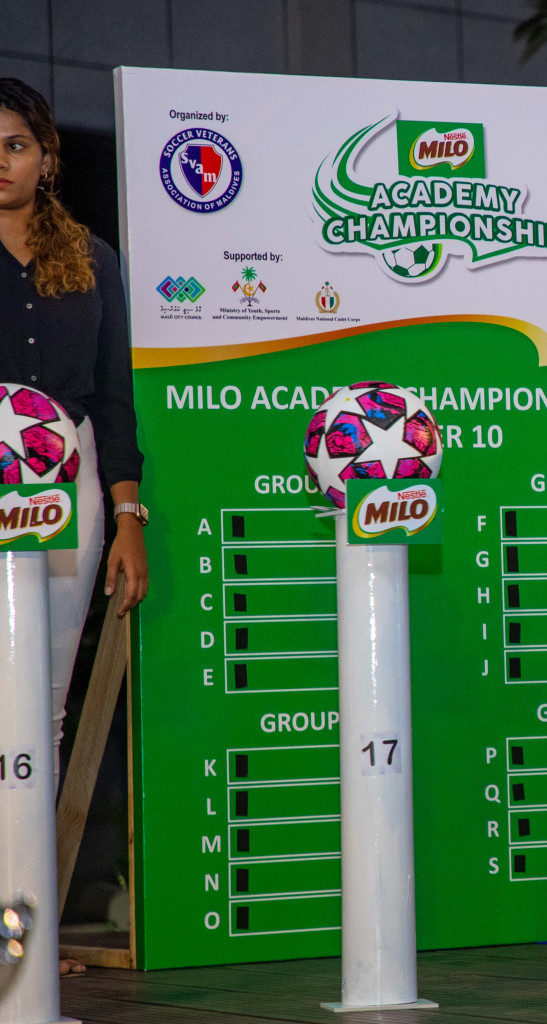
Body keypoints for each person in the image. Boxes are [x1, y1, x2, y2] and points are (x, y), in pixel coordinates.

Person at [0, 78, 149, 975]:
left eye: (15, 143)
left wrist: (127, 514)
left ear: (46, 156)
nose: (2, 162)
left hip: (74, 493)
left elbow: (115, 398)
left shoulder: (91, 257)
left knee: (38, 710)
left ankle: (19, 931)